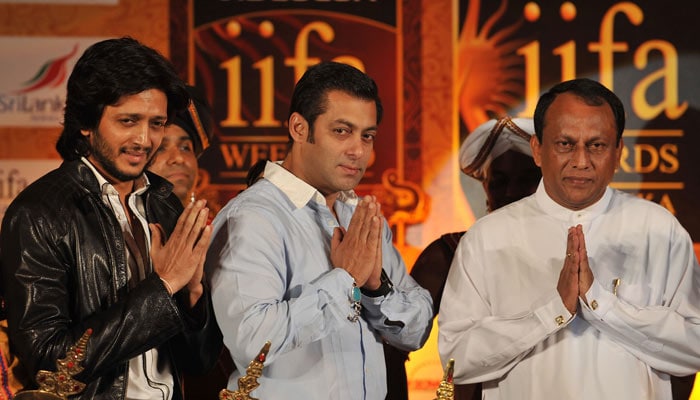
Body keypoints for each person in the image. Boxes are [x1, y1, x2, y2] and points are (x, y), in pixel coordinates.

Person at [438, 78, 700, 399]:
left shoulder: (659, 230)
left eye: (597, 145)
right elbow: (455, 361)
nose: (580, 161)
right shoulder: (487, 238)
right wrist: (552, 313)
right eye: (565, 144)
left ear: (618, 153)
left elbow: (694, 350)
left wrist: (602, 305)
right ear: (537, 149)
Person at [0, 37, 222, 399]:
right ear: (86, 123)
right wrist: (164, 286)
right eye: (128, 121)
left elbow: (198, 363)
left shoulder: (165, 205)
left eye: (156, 123)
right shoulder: (39, 213)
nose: (144, 139)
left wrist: (192, 292)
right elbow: (51, 364)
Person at [206, 61, 433, 399]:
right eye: (341, 131)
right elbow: (253, 342)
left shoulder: (362, 217)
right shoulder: (253, 218)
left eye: (367, 135)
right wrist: (345, 280)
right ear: (299, 128)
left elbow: (417, 332)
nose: (358, 150)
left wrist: (374, 289)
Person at [383, 117, 541, 400]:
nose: (510, 192)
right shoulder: (449, 253)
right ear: (485, 189)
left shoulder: (572, 251)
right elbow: (394, 343)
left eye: (526, 180)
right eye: (499, 182)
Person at [147, 85, 237, 399]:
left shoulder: (219, 235)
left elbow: (202, 357)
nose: (177, 159)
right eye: (161, 149)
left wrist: (195, 290)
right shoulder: (131, 234)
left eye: (186, 148)